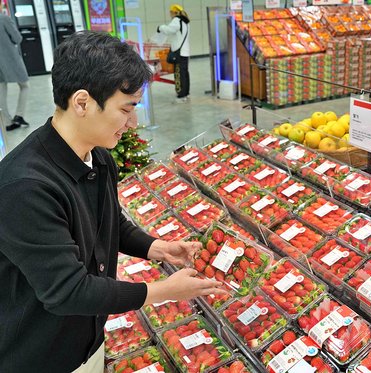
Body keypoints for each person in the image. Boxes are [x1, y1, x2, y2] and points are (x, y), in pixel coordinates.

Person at [0, 31, 225, 372]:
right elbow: (68, 291)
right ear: (82, 103)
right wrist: (162, 290)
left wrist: (158, 248)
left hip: (89, 339)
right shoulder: (26, 187)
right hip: (39, 355)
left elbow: (109, 223)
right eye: (126, 108)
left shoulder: (98, 159)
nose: (133, 123)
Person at [0, 1, 30, 131]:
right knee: (25, 85)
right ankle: (19, 115)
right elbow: (17, 38)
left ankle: (6, 122)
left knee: (1, 90)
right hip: (9, 59)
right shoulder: (4, 19)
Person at [157, 4, 191, 103]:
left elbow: (169, 30)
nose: (170, 14)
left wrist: (160, 27)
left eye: (170, 12)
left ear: (174, 12)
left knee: (179, 74)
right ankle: (186, 93)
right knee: (185, 74)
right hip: (185, 51)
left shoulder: (177, 20)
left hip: (179, 52)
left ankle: (181, 96)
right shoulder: (186, 21)